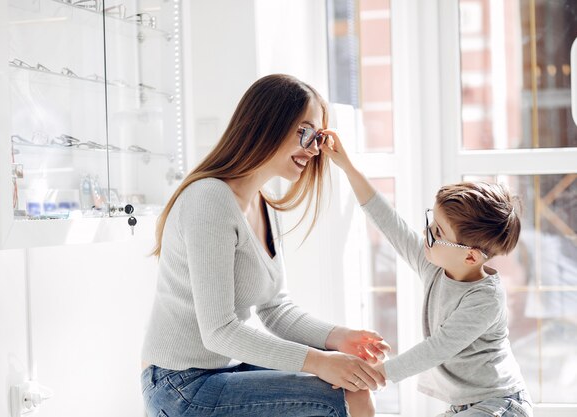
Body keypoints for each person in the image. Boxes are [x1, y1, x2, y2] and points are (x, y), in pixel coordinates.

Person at [141, 74, 389, 417]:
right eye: (305, 133)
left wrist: (338, 337)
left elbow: (275, 309)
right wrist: (320, 362)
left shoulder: (261, 203)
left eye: (318, 138)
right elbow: (218, 332)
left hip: (221, 372)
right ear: (267, 124)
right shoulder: (209, 199)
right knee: (346, 399)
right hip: (180, 385)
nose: (315, 149)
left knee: (353, 389)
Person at [321, 132, 533, 417]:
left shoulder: (485, 299)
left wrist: (375, 375)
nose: (426, 233)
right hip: (464, 406)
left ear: (470, 256)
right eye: (431, 223)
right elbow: (389, 222)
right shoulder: (434, 266)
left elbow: (437, 348)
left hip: (501, 405)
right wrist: (347, 165)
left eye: (437, 232)